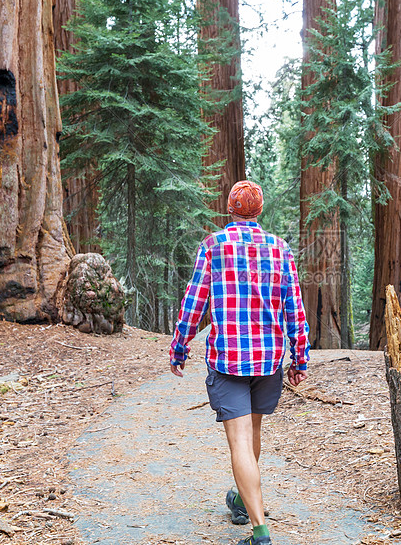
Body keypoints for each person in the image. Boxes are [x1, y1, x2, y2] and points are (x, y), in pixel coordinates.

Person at [169, 180, 310, 545]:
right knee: (253, 435)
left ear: (229, 210)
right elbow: (294, 306)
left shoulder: (214, 246)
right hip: (268, 361)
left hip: (228, 359)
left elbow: (194, 301)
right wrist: (300, 357)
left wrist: (180, 346)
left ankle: (260, 532)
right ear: (259, 211)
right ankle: (242, 501)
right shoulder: (279, 249)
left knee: (241, 443)